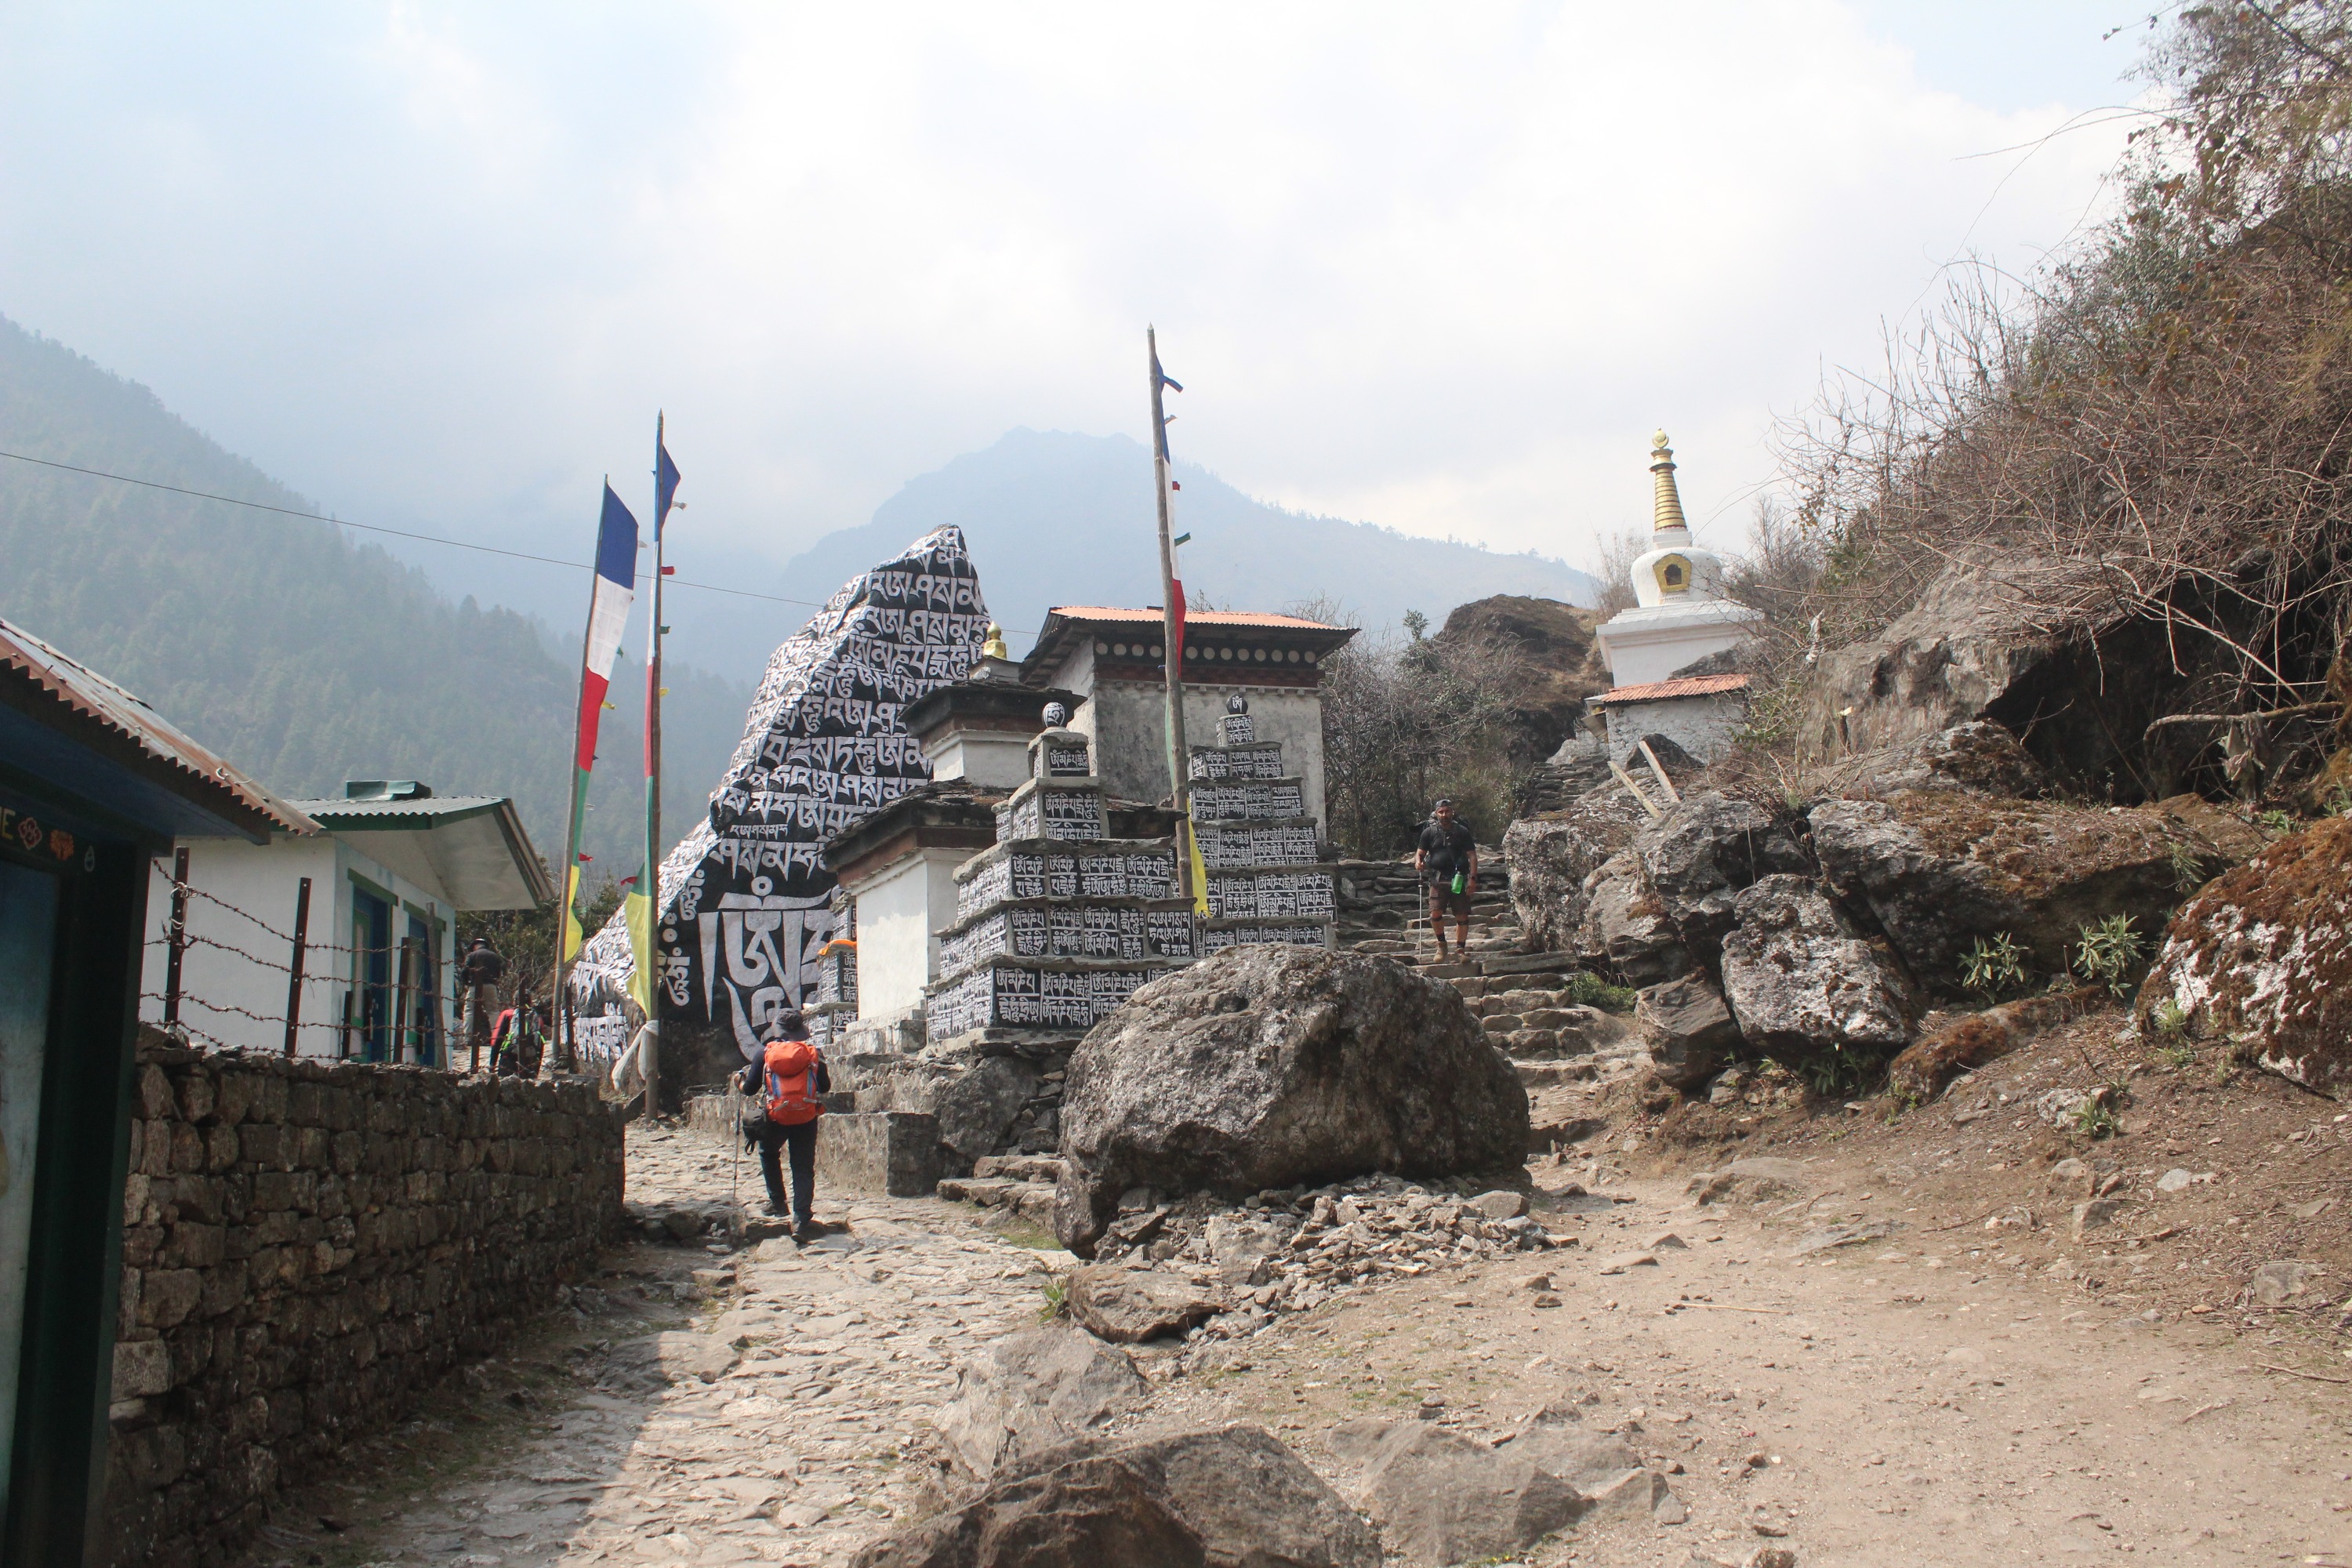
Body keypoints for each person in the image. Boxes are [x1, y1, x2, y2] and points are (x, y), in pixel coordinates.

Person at [735, 1011, 827, 1241]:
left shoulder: (765, 1053)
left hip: (776, 1116)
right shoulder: (814, 1054)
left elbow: (750, 1089)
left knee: (768, 1153)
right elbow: (824, 1087)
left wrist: (739, 1082)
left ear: (779, 1030)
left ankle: (777, 1203)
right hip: (806, 1116)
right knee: (803, 1167)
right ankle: (801, 1220)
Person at [1414, 798, 1478, 960]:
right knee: (1435, 913)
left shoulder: (1462, 832)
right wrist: (1418, 862)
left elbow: (1472, 856)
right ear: (1436, 814)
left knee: (1462, 915)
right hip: (1437, 878)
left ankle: (1460, 950)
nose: (1444, 815)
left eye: (1447, 811)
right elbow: (1420, 852)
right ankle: (1442, 946)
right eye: (1441, 812)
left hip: (1459, 878)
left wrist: (1472, 879)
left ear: (1452, 812)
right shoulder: (1429, 833)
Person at [458, 937, 504, 1071]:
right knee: (493, 1011)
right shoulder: (494, 956)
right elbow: (499, 972)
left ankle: (469, 1038)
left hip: (475, 985)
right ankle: (496, 1037)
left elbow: (464, 971)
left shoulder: (473, 955)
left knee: (470, 1010)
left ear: (475, 946)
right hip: (491, 985)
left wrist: (466, 982)